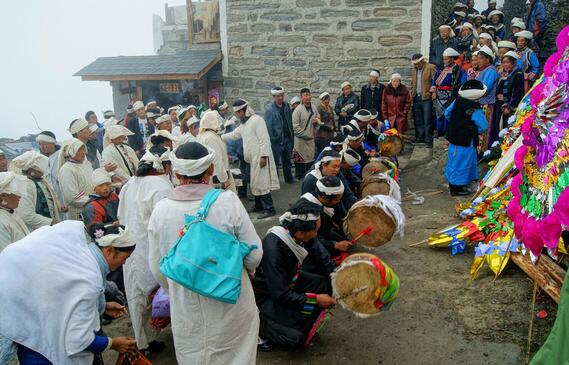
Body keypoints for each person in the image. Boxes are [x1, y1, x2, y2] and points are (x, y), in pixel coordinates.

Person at [147, 142, 263, 364]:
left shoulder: (161, 210)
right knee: (235, 355)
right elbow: (254, 253)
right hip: (231, 297)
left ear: (176, 172)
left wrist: (177, 286)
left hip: (186, 302)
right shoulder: (227, 201)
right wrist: (241, 272)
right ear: (211, 169)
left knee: (195, 354)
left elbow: (157, 266)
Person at [0, 220, 137, 365]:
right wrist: (112, 343)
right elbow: (79, 340)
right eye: (125, 258)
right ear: (109, 250)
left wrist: (103, 306)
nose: (124, 263)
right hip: (43, 348)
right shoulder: (88, 278)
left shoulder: (80, 256)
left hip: (32, 323)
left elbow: (65, 296)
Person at [252, 199, 336, 349]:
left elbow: (320, 255)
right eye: (315, 231)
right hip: (267, 295)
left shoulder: (300, 231)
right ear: (300, 232)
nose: (316, 234)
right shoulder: (274, 251)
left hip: (289, 280)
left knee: (324, 282)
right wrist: (316, 299)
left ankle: (297, 317)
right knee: (295, 338)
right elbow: (280, 294)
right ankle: (259, 327)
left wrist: (337, 275)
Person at [118, 146, 173, 353]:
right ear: (163, 165)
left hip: (130, 248)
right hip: (152, 248)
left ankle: (143, 342)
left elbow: (121, 215)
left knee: (136, 297)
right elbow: (165, 222)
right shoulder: (160, 186)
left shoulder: (128, 184)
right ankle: (153, 338)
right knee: (161, 292)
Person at [223, 99, 280, 218]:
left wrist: (264, 156)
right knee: (255, 183)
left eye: (237, 113)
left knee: (262, 183)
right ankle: (259, 205)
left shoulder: (257, 120)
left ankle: (270, 209)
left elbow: (264, 139)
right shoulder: (245, 124)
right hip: (252, 159)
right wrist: (220, 137)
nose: (236, 115)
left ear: (242, 111)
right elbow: (234, 135)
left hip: (260, 158)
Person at [444, 80, 488, 196]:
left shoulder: (457, 101)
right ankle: (457, 188)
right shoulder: (475, 108)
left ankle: (453, 184)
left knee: (454, 160)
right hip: (466, 140)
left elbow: (447, 114)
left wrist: (456, 124)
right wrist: (471, 130)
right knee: (463, 162)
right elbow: (483, 126)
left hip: (454, 137)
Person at [300, 176, 352, 262]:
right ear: (324, 197)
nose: (339, 202)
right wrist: (334, 245)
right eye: (337, 200)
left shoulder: (330, 198)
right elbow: (309, 239)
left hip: (324, 232)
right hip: (309, 242)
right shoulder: (307, 211)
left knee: (346, 241)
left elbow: (341, 216)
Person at [11, 151, 62, 231]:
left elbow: (51, 197)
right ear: (31, 170)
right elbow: (26, 214)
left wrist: (59, 206)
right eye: (40, 171)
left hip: (49, 227)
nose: (43, 173)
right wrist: (50, 222)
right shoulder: (24, 185)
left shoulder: (41, 180)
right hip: (36, 231)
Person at [302, 148, 358, 213]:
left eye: (339, 166)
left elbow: (347, 194)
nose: (337, 170)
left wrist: (356, 208)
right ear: (324, 165)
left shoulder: (336, 173)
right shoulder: (311, 180)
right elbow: (307, 204)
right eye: (334, 167)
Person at [431, 48, 467, 135]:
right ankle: (440, 130)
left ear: (451, 59)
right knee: (439, 113)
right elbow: (434, 82)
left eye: (446, 59)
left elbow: (462, 83)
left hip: (451, 95)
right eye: (444, 59)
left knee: (448, 113)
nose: (444, 61)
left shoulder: (459, 70)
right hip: (439, 94)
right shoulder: (440, 70)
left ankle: (448, 131)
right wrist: (433, 92)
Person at [197, 111, 236, 192]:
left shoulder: (206, 135)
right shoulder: (211, 138)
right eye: (217, 120)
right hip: (217, 177)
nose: (219, 122)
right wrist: (224, 179)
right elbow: (217, 161)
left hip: (212, 175)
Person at [492, 51, 525, 142]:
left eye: (507, 62)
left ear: (514, 63)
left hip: (511, 108)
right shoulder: (510, 74)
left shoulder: (517, 74)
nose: (505, 65)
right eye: (503, 62)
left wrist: (509, 106)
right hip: (505, 105)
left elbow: (517, 93)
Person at [58, 139, 94, 221]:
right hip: (79, 213)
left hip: (93, 207)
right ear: (71, 152)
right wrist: (94, 199)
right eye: (79, 150)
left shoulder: (86, 164)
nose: (83, 152)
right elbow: (72, 198)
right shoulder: (67, 170)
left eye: (83, 149)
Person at [265, 86, 295, 183]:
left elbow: (290, 122)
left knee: (287, 161)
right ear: (274, 97)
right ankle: (275, 181)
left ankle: (288, 179)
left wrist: (291, 136)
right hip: (277, 141)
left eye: (282, 95)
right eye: (278, 96)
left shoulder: (286, 106)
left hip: (287, 138)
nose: (281, 98)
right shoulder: (270, 110)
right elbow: (268, 127)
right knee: (275, 162)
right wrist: (274, 138)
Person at [475, 45, 500, 148]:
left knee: (485, 128)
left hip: (487, 103)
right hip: (481, 103)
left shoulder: (491, 71)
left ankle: (483, 150)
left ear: (488, 59)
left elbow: (485, 88)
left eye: (481, 59)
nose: (478, 61)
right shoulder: (485, 70)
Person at [292, 88, 319, 180]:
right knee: (300, 157)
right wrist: (306, 134)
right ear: (301, 97)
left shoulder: (314, 107)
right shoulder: (297, 110)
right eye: (305, 95)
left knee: (310, 158)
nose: (307, 97)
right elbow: (295, 127)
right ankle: (299, 175)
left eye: (309, 95)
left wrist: (316, 122)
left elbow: (318, 118)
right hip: (301, 139)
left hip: (311, 137)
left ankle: (308, 175)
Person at [410, 53, 436, 146]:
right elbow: (413, 83)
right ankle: (420, 137)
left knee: (427, 119)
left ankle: (428, 139)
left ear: (422, 61)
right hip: (416, 97)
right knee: (418, 119)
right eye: (415, 64)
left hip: (426, 98)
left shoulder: (431, 67)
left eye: (417, 63)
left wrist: (431, 93)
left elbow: (435, 82)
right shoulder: (414, 70)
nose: (416, 65)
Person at [0, 172, 30, 252]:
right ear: (3, 196)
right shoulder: (1, 222)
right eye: (16, 192)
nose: (19, 196)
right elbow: (5, 255)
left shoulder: (10, 212)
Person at [36, 131, 64, 204]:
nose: (42, 147)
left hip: (63, 193)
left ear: (53, 143)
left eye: (45, 144)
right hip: (50, 197)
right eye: (40, 144)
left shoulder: (61, 155)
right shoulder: (40, 159)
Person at [315, 92, 336, 156]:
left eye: (328, 99)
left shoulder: (329, 108)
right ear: (322, 100)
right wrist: (329, 127)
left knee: (329, 153)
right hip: (322, 135)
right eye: (325, 99)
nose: (327, 101)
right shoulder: (319, 108)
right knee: (322, 153)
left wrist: (335, 129)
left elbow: (332, 119)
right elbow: (319, 122)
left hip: (330, 135)